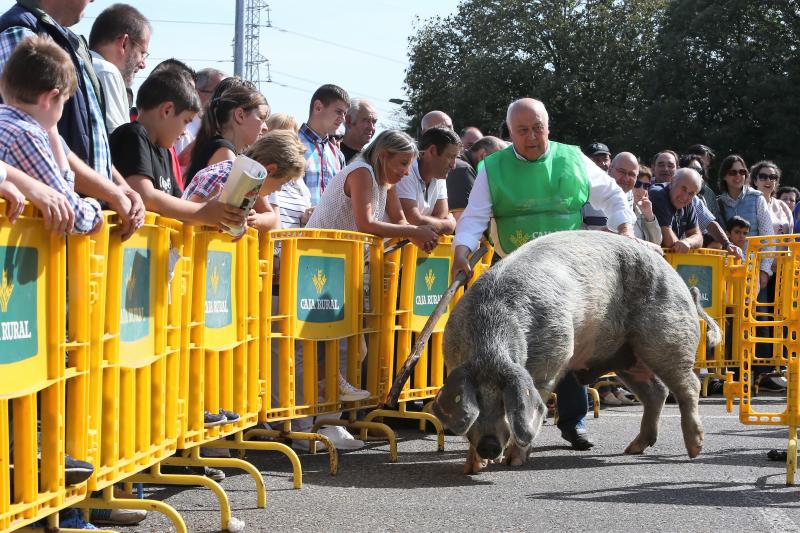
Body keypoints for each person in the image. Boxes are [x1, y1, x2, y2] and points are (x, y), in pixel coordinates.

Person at [453, 98, 636, 451]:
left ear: (548, 127)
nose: (532, 137)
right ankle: (503, 429)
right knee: (504, 355)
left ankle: (573, 423)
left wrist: (626, 230)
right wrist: (462, 250)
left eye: (538, 128)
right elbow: (475, 216)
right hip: (510, 274)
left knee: (567, 347)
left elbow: (613, 195)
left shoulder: (572, 158)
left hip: (565, 276)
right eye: (523, 131)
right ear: (510, 133)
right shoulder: (493, 167)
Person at [0, 0, 146, 240]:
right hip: (50, 234)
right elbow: (44, 131)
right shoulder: (22, 35)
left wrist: (120, 186)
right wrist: (107, 197)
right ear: (51, 97)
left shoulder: (67, 43)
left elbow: (88, 141)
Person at [110, 68, 246, 231]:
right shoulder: (133, 135)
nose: (184, 131)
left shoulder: (164, 150)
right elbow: (145, 196)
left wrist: (221, 215)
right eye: (186, 121)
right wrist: (202, 211)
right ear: (167, 110)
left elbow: (179, 207)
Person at [0, 35, 101, 234]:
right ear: (50, 97)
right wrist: (94, 208)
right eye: (63, 102)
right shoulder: (26, 136)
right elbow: (72, 212)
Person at [183, 130, 306, 234]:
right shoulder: (223, 176)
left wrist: (255, 219)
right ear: (270, 170)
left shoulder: (255, 184)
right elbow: (185, 216)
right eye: (282, 183)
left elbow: (272, 217)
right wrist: (214, 215)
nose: (279, 189)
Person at [185, 80, 269, 181]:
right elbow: (231, 197)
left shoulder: (219, 147)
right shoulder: (224, 153)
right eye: (261, 117)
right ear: (240, 115)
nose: (266, 128)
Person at [88, 3, 151, 132]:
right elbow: (119, 144)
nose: (143, 64)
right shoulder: (106, 72)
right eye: (142, 53)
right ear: (124, 43)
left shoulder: (83, 65)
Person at [716, 154, 773, 288]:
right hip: (727, 271)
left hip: (754, 271)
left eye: (742, 172)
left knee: (754, 309)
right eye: (733, 172)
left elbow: (768, 237)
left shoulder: (757, 198)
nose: (738, 176)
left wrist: (765, 270)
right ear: (724, 176)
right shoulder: (719, 203)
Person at [395, 126, 459, 235]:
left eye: (455, 157)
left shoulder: (439, 175)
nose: (453, 165)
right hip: (385, 250)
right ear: (432, 151)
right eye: (450, 157)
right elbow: (413, 220)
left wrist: (429, 222)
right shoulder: (406, 171)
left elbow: (441, 216)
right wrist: (450, 224)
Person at [299, 84, 349, 206]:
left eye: (344, 114)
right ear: (318, 107)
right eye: (338, 112)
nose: (342, 119)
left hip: (328, 225)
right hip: (295, 224)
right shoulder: (291, 144)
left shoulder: (338, 155)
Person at [176, 67, 227, 162]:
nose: (223, 100)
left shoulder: (221, 128)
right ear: (196, 91)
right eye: (218, 93)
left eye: (226, 95)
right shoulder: (182, 128)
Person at [609, 152, 661, 244]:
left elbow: (657, 241)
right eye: (638, 184)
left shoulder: (641, 212)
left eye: (646, 186)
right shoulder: (605, 200)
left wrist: (649, 217)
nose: (641, 189)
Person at [650, 168, 703, 251]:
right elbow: (668, 241)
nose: (685, 197)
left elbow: (698, 237)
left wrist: (688, 242)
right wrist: (682, 245)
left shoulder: (688, 202)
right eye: (683, 189)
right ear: (672, 182)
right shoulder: (658, 194)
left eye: (691, 193)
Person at [750, 160, 792, 236]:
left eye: (772, 177)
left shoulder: (782, 206)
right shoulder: (749, 205)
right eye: (763, 177)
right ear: (755, 181)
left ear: (776, 182)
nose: (768, 180)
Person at [582, 142, 613, 229]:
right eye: (596, 160)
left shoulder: (618, 188)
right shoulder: (580, 189)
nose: (603, 164)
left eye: (605, 159)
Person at [340, 98, 377, 164]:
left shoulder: (371, 161)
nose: (371, 127)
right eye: (366, 120)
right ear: (349, 121)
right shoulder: (328, 151)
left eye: (374, 122)